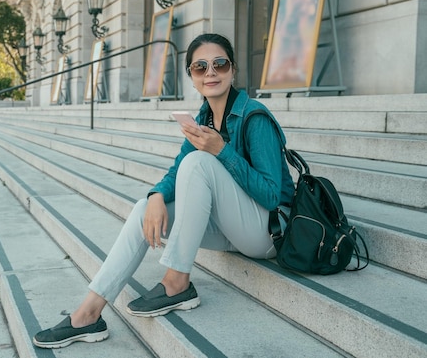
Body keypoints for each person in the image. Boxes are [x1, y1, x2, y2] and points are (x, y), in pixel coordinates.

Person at [32, 33, 295, 349]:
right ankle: (89, 314)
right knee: (145, 207)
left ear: (233, 70)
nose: (210, 73)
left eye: (219, 64)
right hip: (234, 231)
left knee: (200, 162)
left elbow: (270, 194)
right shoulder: (203, 118)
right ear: (192, 78)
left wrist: (222, 150)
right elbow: (177, 170)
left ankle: (177, 281)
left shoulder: (255, 117)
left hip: (268, 233)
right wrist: (156, 196)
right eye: (200, 67)